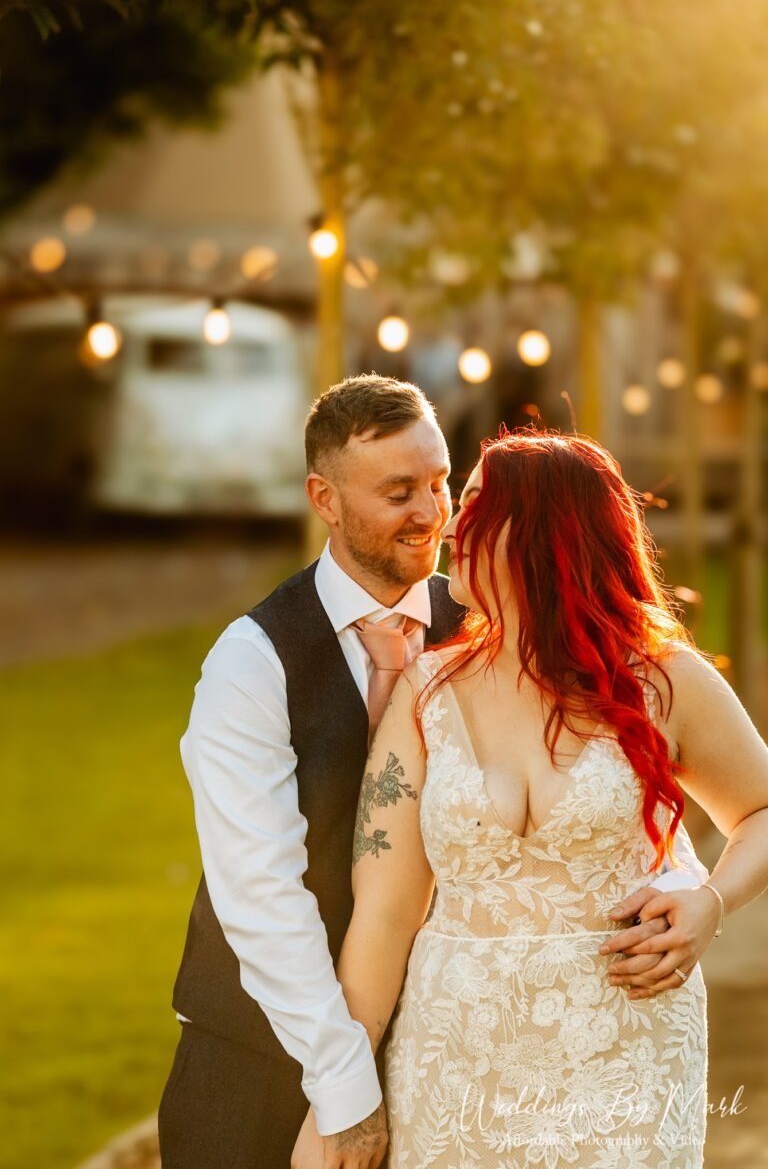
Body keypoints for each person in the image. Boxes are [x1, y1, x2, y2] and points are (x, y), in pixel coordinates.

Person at [159, 382, 701, 1169]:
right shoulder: (252, 663)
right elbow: (261, 897)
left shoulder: (495, 619)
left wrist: (686, 883)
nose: (434, 511)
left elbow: (599, 780)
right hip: (262, 1058)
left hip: (450, 1059)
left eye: (441, 481)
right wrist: (345, 1090)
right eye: (398, 491)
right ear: (326, 499)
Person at [292, 430, 768, 1168]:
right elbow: (384, 915)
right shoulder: (424, 695)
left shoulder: (663, 681)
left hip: (625, 1051)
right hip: (454, 1059)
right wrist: (340, 1099)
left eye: (481, 503)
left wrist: (711, 902)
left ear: (551, 528)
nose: (451, 522)